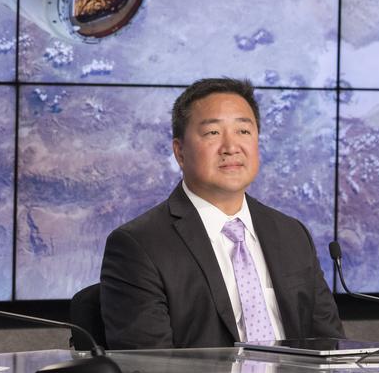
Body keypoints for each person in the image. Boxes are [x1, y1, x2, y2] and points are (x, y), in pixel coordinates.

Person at [100, 77, 344, 349]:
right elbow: (149, 368)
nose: (231, 147)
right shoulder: (139, 246)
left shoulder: (291, 234)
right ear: (180, 152)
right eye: (213, 133)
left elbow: (332, 348)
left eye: (243, 131)